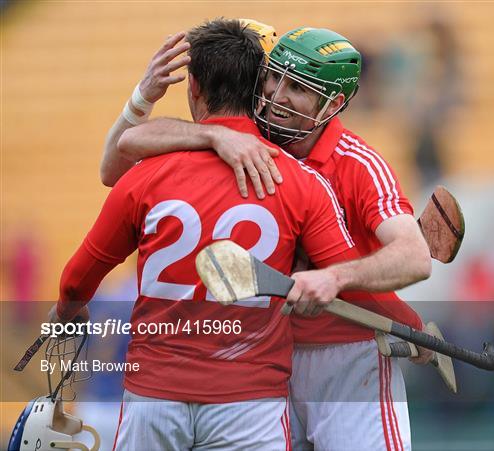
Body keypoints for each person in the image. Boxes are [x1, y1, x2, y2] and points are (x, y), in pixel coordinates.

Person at [101, 26, 432, 451]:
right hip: (269, 362)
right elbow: (117, 163)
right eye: (273, 78)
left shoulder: (359, 164)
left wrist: (338, 279)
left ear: (331, 104)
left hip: (348, 361)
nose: (276, 96)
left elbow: (414, 257)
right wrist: (205, 130)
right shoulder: (245, 134)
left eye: (298, 88)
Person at [51, 19, 367, 451]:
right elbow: (350, 278)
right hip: (249, 403)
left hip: (154, 399)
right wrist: (409, 324)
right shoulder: (300, 182)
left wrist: (68, 310)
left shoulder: (146, 174)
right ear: (260, 88)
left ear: (192, 87)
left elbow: (77, 277)